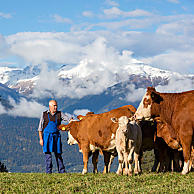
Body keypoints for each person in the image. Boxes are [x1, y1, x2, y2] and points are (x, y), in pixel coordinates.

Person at [38, 100, 71, 173]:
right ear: (50, 106)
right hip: (47, 136)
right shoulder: (44, 114)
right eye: (54, 106)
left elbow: (68, 119)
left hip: (56, 136)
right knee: (48, 155)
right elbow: (40, 128)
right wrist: (41, 139)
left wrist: (72, 121)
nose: (56, 107)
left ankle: (62, 171)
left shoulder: (60, 114)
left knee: (58, 154)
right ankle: (48, 171)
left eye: (56, 105)